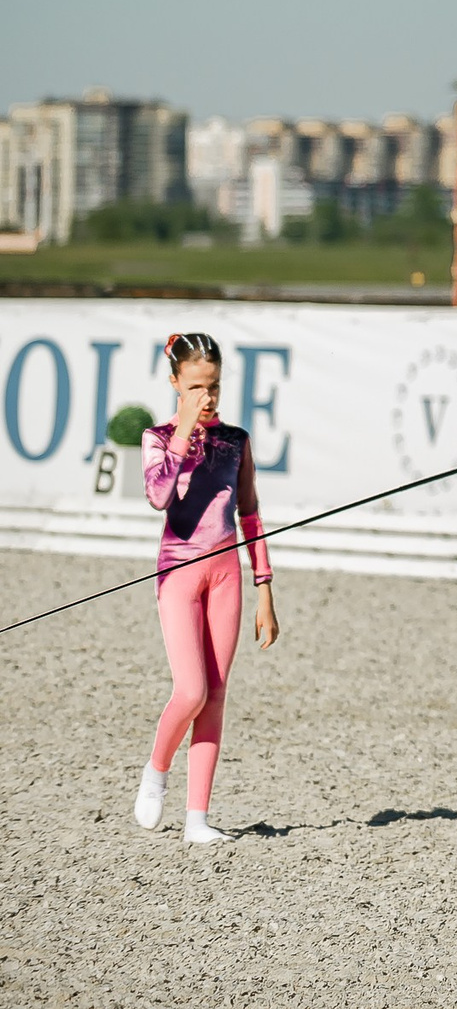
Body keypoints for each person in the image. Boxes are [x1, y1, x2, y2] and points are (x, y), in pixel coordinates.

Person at [133, 333, 278, 845]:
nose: (207, 397)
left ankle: (197, 818)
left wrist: (265, 589)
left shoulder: (235, 441)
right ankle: (156, 770)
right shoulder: (157, 437)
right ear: (176, 382)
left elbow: (250, 512)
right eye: (196, 387)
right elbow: (158, 496)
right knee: (190, 690)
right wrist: (183, 432)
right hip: (178, 572)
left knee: (215, 696)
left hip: (225, 575)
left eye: (213, 386)